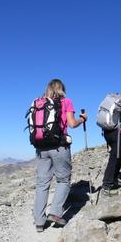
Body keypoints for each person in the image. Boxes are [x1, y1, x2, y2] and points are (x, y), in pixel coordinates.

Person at [33, 79, 87, 232]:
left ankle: (39, 222)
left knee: (42, 183)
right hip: (59, 146)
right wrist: (82, 118)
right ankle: (55, 213)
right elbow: (71, 124)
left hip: (41, 147)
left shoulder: (40, 102)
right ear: (62, 89)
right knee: (63, 179)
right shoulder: (66, 101)